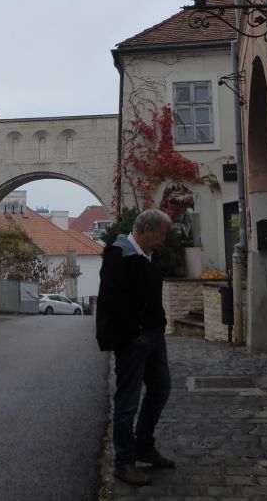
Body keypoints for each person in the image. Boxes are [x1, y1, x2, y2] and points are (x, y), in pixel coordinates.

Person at [96, 208, 175, 486]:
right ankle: (124, 461)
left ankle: (144, 445)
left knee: (161, 389)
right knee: (127, 402)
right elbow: (111, 302)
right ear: (147, 229)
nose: (164, 239)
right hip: (133, 340)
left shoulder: (150, 255)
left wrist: (158, 325)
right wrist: (133, 334)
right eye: (162, 234)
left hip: (154, 336)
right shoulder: (119, 256)